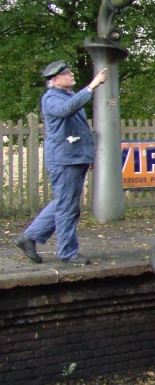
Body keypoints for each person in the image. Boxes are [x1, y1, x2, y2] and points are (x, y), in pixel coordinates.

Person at [14, 60, 107, 266]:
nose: (72, 74)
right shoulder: (51, 99)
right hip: (64, 159)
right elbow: (66, 110)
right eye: (67, 73)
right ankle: (68, 252)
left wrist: (87, 155)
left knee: (65, 203)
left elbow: (80, 130)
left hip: (74, 157)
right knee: (67, 206)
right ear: (55, 80)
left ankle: (29, 237)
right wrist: (91, 87)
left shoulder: (68, 96)